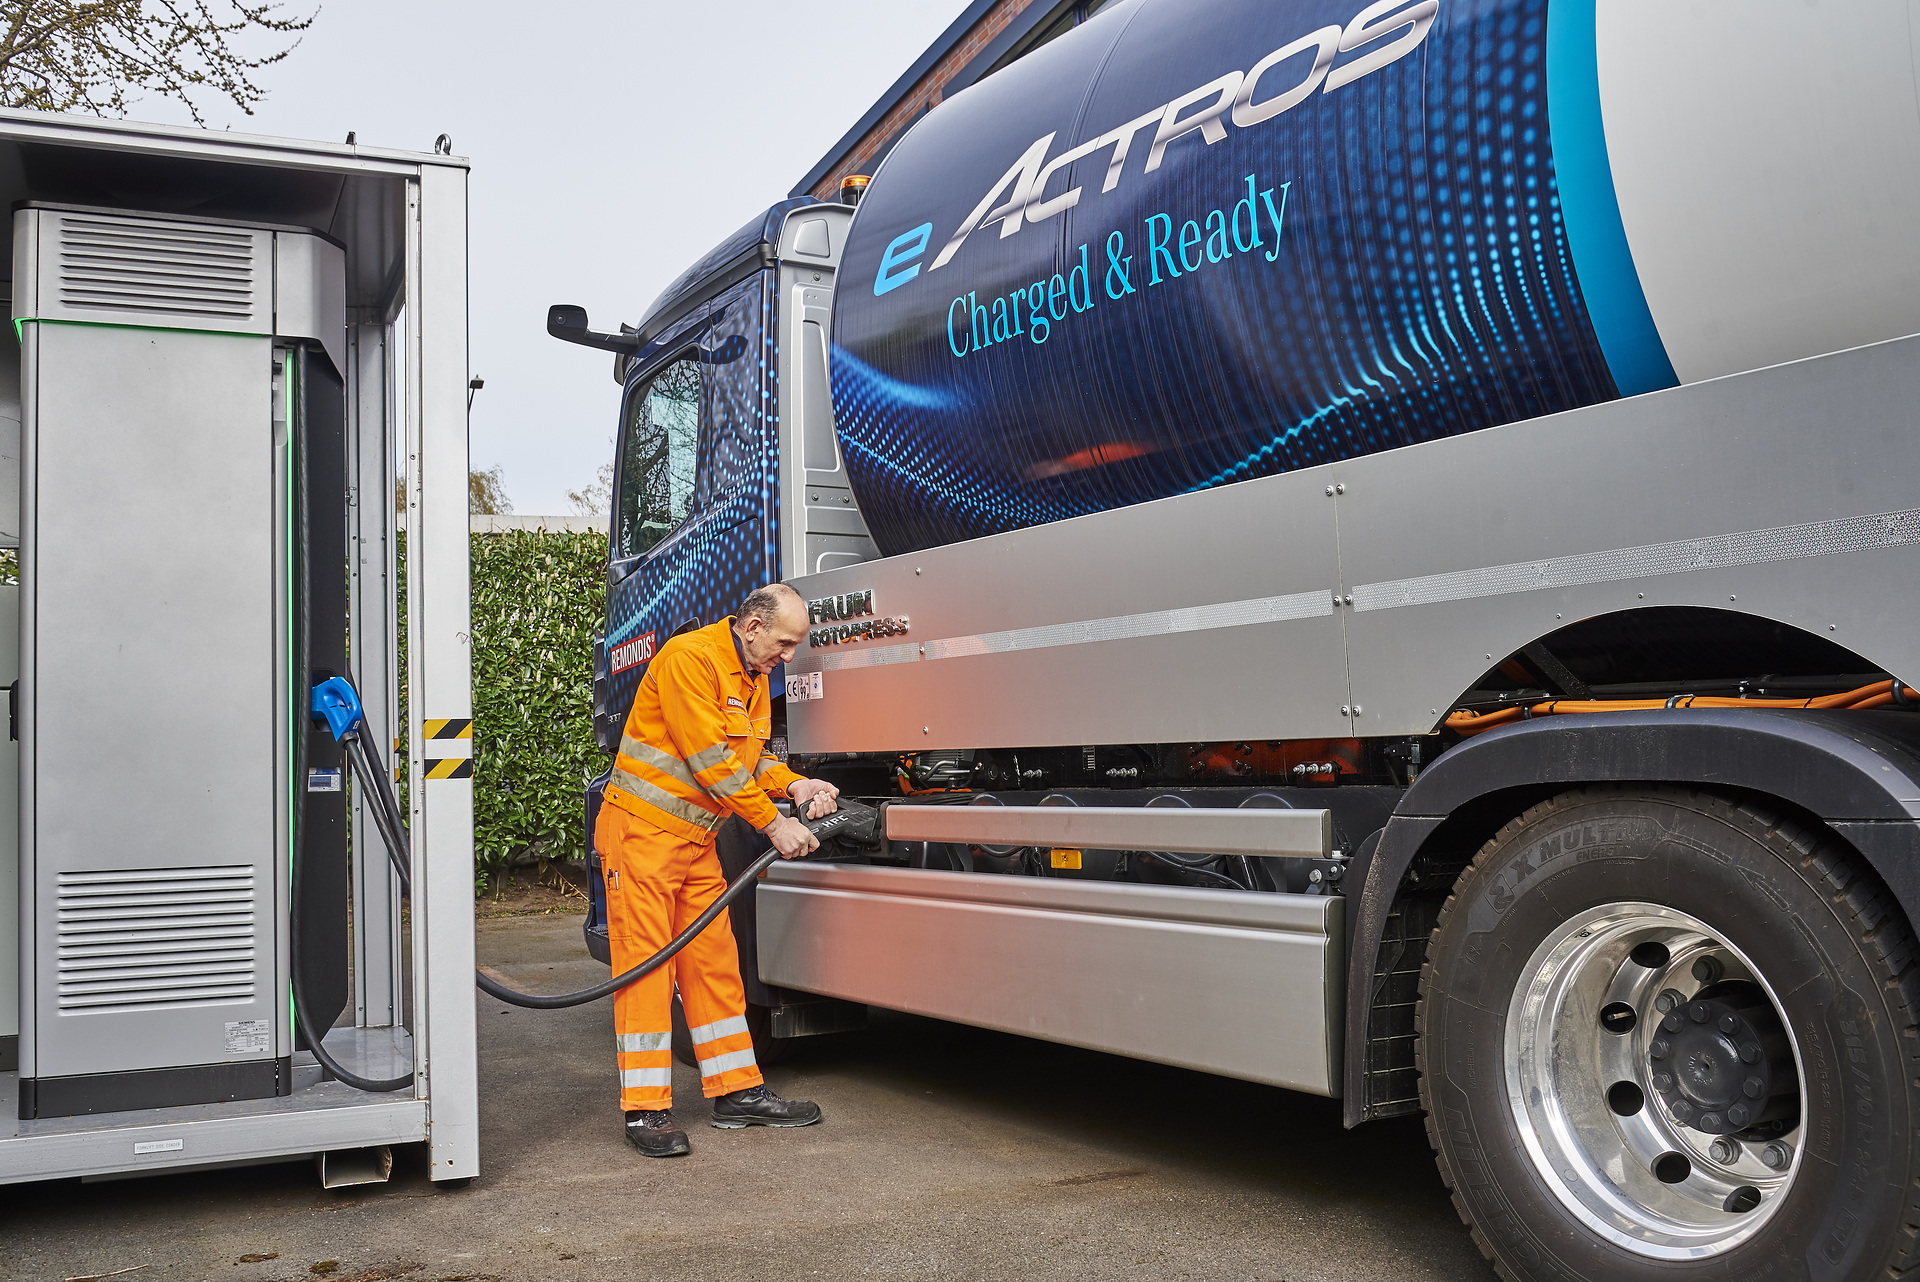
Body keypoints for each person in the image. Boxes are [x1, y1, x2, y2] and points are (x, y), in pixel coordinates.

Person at [595, 583, 841, 1157]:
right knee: (647, 973)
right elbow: (709, 761)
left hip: (694, 843)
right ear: (752, 626)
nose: (788, 656)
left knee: (714, 966)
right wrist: (773, 823)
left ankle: (736, 1093)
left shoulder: (752, 679)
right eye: (784, 643)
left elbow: (748, 760)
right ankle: (646, 1112)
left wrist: (794, 782)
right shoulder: (690, 660)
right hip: (643, 838)